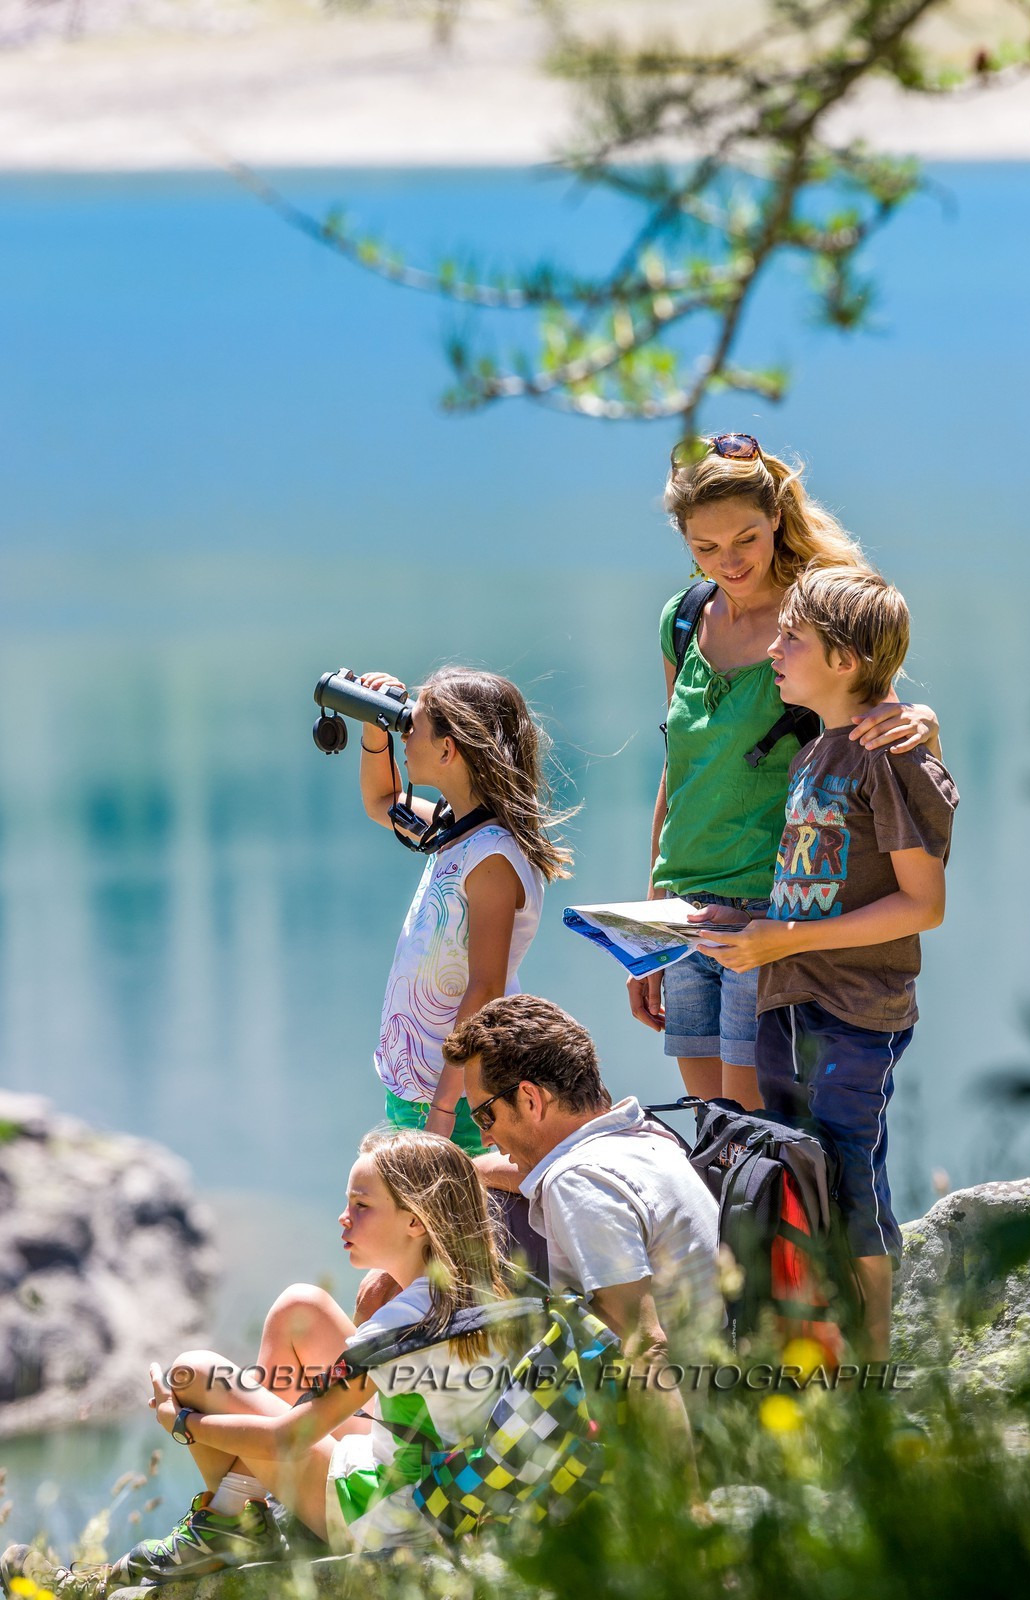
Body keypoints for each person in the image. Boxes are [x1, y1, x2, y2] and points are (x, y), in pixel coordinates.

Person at [1, 1131, 517, 1597]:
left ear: (414, 1221)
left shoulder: (399, 1328)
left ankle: (225, 1523)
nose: (344, 1217)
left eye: (362, 1205)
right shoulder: (487, 1296)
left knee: (194, 1373)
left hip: (381, 1518)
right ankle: (244, 1509)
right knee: (302, 1307)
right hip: (434, 1491)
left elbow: (286, 1440)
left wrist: (183, 1422)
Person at [629, 432, 941, 1109]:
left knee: (756, 1136)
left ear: (775, 516)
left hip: (769, 914)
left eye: (744, 539)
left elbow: (877, 728)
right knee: (711, 1132)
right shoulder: (681, 621)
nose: (727, 562)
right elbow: (678, 765)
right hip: (684, 910)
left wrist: (923, 723)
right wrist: (648, 918)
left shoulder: (811, 622)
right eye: (704, 548)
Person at [697, 566, 958, 1361]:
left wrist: (784, 940)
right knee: (795, 1173)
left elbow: (923, 905)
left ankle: (872, 1370)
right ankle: (811, 1353)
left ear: (843, 661)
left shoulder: (884, 751)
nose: (772, 647)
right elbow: (815, 890)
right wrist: (745, 922)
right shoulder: (817, 753)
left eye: (791, 638)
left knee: (849, 1182)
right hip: (789, 997)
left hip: (851, 1011)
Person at [443, 993, 720, 1491]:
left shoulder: (579, 1185)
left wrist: (686, 1518)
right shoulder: (646, 1138)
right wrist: (466, 1172)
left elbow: (646, 1349)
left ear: (530, 1099)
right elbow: (516, 1171)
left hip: (662, 1435)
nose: (485, 1137)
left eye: (485, 1117)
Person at [357, 666, 572, 1156]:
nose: (403, 734)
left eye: (412, 726)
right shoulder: (459, 832)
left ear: (448, 749)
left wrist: (444, 1106)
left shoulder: (492, 857)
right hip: (415, 1083)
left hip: (452, 1096)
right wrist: (375, 731)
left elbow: (486, 987)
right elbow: (383, 801)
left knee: (454, 1227)